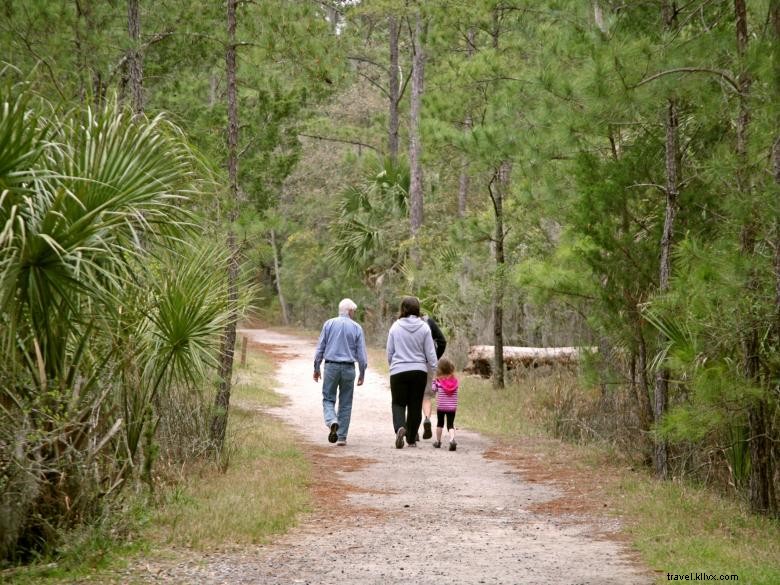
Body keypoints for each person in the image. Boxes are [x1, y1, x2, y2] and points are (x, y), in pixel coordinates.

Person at [313, 298, 368, 446]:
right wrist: (362, 373)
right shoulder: (357, 328)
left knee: (328, 398)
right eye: (354, 312)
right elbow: (362, 356)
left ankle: (332, 421)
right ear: (349, 311)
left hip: (331, 367)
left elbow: (320, 348)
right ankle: (342, 436)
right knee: (346, 403)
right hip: (349, 368)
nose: (354, 314)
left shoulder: (329, 324)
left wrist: (316, 368)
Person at [386, 296, 438, 449]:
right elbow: (431, 353)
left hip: (398, 370)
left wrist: (393, 366)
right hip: (419, 371)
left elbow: (390, 351)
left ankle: (400, 428)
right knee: (415, 405)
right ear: (417, 309)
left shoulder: (395, 327)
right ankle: (411, 439)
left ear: (403, 309)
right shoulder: (424, 327)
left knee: (398, 403)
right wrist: (433, 369)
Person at [421, 314, 447, 440]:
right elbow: (442, 341)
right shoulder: (428, 322)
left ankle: (412, 428)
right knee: (426, 396)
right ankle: (426, 419)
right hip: (427, 364)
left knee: (413, 397)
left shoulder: (401, 322)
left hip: (409, 364)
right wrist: (435, 358)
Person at [431, 357, 459, 451]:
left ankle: (438, 442)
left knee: (440, 424)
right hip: (452, 407)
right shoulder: (455, 381)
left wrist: (433, 382)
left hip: (441, 407)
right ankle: (452, 440)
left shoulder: (439, 381)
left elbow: (434, 390)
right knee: (450, 424)